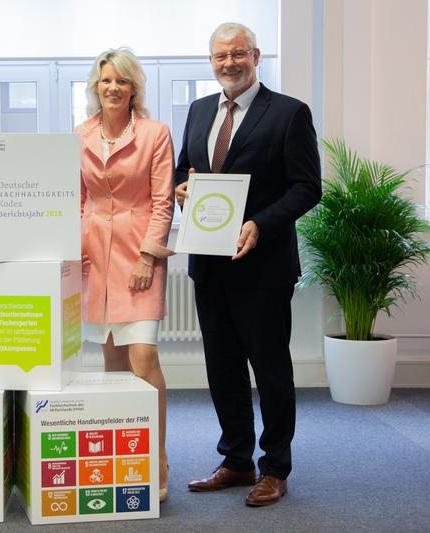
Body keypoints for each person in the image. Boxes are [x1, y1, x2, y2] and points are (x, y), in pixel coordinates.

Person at [174, 22, 321, 507]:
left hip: (263, 266)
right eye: (220, 56)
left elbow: (306, 187)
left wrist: (259, 223)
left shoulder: (288, 113)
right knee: (223, 369)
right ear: (210, 62)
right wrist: (181, 191)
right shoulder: (198, 111)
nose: (229, 63)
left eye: (238, 54)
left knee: (271, 369)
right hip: (210, 266)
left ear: (256, 56)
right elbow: (184, 172)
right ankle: (236, 460)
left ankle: (275, 468)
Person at [75, 48, 174, 502]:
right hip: (94, 255)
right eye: (105, 80)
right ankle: (123, 461)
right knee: (112, 364)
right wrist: (71, 251)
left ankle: (157, 458)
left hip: (139, 254)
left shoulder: (155, 134)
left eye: (121, 81)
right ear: (96, 87)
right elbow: (77, 200)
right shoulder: (80, 134)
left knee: (144, 358)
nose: (112, 88)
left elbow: (162, 201)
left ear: (134, 87)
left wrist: (148, 257)